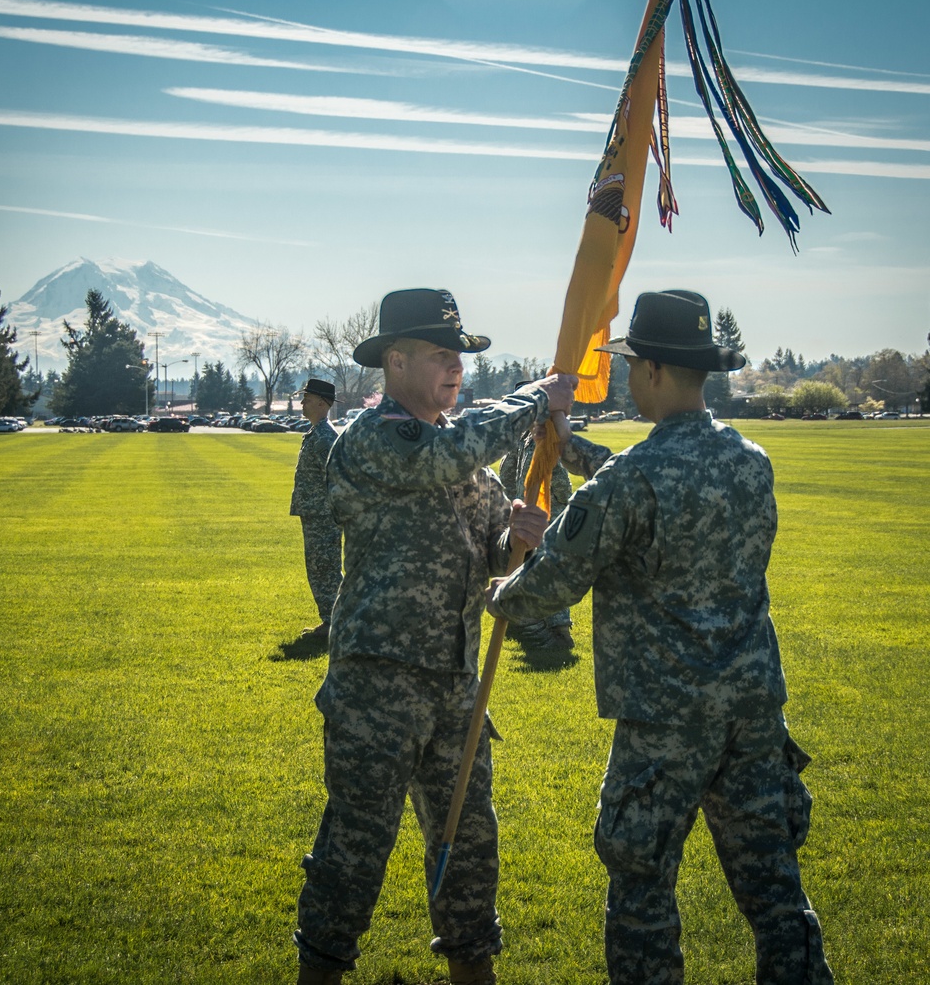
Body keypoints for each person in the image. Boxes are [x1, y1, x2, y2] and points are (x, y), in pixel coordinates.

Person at [488, 290, 834, 984]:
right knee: (775, 893)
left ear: (648, 372)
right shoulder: (750, 460)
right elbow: (659, 482)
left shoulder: (634, 477)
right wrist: (571, 449)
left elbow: (559, 576)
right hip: (752, 711)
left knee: (643, 889)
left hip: (664, 720)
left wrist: (505, 596)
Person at [294, 288, 577, 985]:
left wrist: (515, 541)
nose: (455, 367)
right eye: (439, 354)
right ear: (395, 361)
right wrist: (535, 398)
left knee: (470, 845)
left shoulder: (469, 467)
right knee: (355, 851)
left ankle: (472, 971)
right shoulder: (373, 439)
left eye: (459, 356)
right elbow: (441, 456)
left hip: (455, 688)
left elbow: (487, 561)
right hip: (377, 686)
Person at [498, 383, 611, 649]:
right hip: (531, 510)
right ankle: (528, 623)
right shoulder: (527, 438)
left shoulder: (547, 436)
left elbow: (560, 481)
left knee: (549, 565)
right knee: (530, 566)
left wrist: (551, 500)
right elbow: (510, 474)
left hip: (550, 510)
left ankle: (559, 631)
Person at [290, 378, 343, 641]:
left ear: (322, 403)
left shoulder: (324, 437)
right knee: (319, 567)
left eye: (307, 399)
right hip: (315, 513)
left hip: (323, 515)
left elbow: (338, 477)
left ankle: (335, 623)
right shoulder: (316, 433)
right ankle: (332, 621)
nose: (302, 403)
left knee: (326, 568)